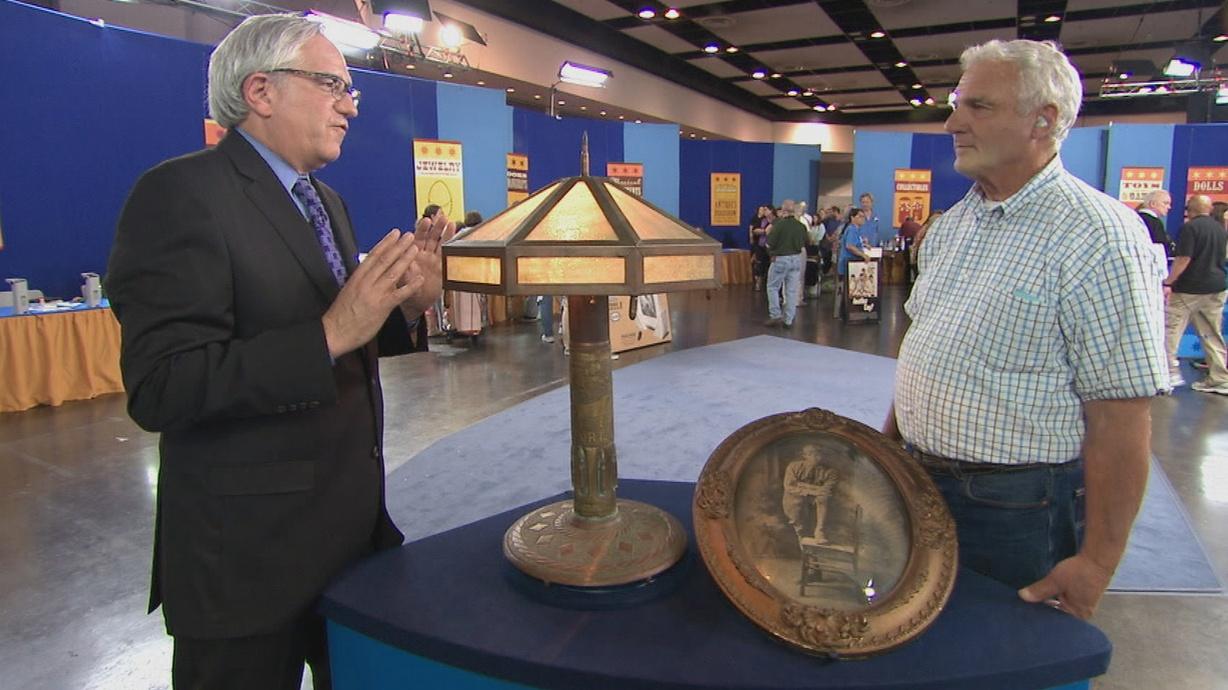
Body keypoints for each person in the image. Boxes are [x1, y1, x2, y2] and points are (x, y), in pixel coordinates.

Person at [105, 15, 453, 689]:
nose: (350, 105)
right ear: (260, 91)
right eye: (331, 84)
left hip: (349, 545)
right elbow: (163, 385)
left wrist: (407, 305)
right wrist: (329, 331)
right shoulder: (180, 195)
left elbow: (343, 342)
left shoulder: (326, 201)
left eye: (351, 90)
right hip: (243, 566)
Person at [881, 39, 1167, 621]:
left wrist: (1097, 562)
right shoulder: (954, 224)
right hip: (915, 482)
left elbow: (1121, 414)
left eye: (977, 107)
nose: (953, 121)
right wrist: (884, 455)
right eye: (956, 103)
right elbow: (923, 350)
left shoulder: (1101, 236)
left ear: (1045, 120)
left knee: (998, 657)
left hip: (1016, 510)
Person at [1162, 195, 1228, 393]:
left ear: (1190, 210)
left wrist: (1168, 281)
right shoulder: (1219, 229)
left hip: (1189, 289)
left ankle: (1166, 375)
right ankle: (1220, 379)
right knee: (1212, 334)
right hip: (1216, 287)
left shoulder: (1190, 228)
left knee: (1170, 331)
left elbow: (1184, 258)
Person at [763, 199, 808, 329]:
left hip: (781, 259)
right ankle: (788, 320)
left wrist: (771, 253)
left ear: (783, 211)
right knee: (792, 290)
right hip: (796, 258)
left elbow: (770, 243)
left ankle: (775, 315)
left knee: (772, 287)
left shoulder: (779, 225)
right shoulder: (801, 226)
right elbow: (805, 242)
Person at [782, 446, 839, 544]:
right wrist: (813, 490)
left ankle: (820, 531)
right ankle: (803, 543)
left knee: (824, 497)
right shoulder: (794, 467)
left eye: (819, 455)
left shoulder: (830, 471)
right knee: (801, 530)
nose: (817, 458)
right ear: (804, 456)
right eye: (812, 454)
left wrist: (801, 484)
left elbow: (827, 490)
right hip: (795, 499)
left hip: (815, 501)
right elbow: (789, 486)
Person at [833, 207, 870, 319]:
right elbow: (849, 246)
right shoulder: (852, 229)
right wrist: (863, 254)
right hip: (847, 266)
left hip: (853, 266)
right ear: (852, 218)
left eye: (864, 217)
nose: (862, 219)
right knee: (843, 291)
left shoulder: (856, 230)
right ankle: (841, 314)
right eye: (860, 216)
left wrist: (863, 245)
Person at [1137, 189, 1175, 261]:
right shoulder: (1155, 223)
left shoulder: (1134, 217)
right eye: (1165, 203)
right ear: (1152, 204)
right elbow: (1160, 248)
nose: (1169, 207)